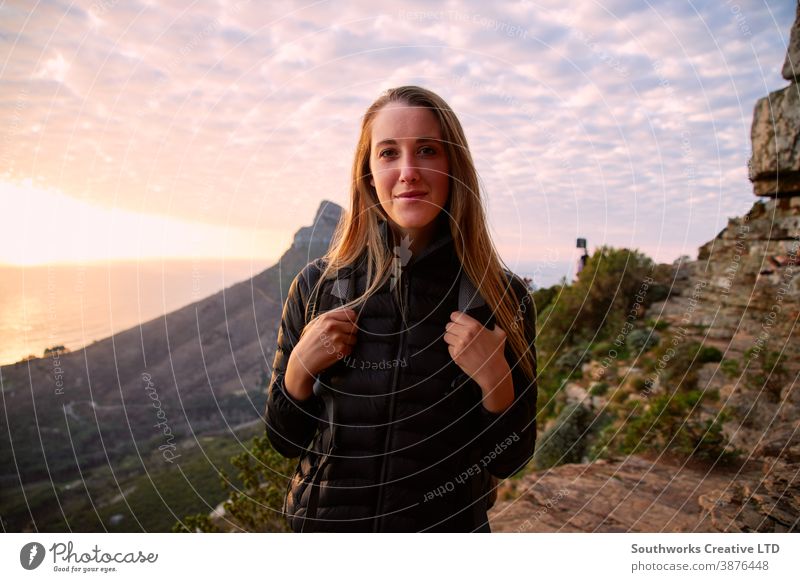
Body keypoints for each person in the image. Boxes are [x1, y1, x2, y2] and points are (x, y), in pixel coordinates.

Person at [265, 85, 538, 533]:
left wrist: (496, 381)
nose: (408, 171)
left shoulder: (500, 296)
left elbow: (511, 458)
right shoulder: (318, 286)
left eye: (427, 150)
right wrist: (298, 370)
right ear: (369, 173)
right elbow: (283, 440)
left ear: (454, 166)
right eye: (389, 153)